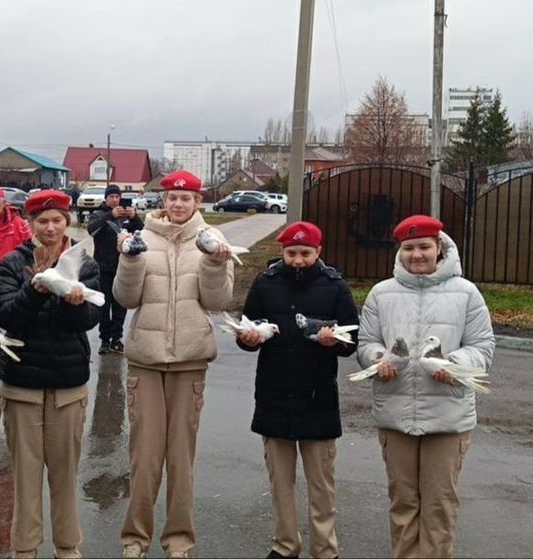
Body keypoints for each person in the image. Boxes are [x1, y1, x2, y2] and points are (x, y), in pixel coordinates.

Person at [357, 215, 495, 559]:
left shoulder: (466, 293)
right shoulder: (381, 293)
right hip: (395, 412)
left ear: (440, 248)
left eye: (424, 247)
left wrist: (455, 364)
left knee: (439, 505)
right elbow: (367, 343)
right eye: (408, 248)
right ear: (399, 252)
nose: (416, 255)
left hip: (447, 416)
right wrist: (379, 360)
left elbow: (482, 346)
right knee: (403, 502)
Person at [113, 169, 234, 559]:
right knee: (144, 458)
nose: (178, 204)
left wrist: (215, 264)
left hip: (189, 362)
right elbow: (125, 299)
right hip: (146, 362)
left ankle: (179, 539)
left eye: (186, 198)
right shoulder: (141, 239)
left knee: (181, 459)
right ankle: (135, 538)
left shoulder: (213, 242)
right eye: (172, 198)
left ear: (198, 202)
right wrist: (129, 262)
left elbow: (217, 302)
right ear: (163, 201)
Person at [236, 221, 359, 559]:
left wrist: (333, 341)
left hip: (317, 396)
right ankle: (285, 545)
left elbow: (352, 343)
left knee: (321, 483)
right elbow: (247, 328)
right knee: (280, 482)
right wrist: (247, 338)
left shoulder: (335, 287)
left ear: (318, 252)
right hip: (274, 393)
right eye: (291, 253)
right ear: (283, 252)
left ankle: (325, 548)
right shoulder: (265, 282)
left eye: (305, 253)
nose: (298, 260)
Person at [0, 189, 101, 559]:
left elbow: (89, 320)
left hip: (68, 384)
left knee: (64, 475)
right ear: (30, 223)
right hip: (22, 384)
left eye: (57, 220)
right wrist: (35, 289)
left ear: (67, 222)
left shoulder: (83, 263)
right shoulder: (12, 262)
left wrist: (72, 304)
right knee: (25, 475)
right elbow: (6, 317)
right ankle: (25, 548)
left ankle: (68, 547)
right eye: (43, 221)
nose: (51, 228)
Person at [87, 184, 144, 354]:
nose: (115, 200)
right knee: (104, 307)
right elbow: (92, 230)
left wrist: (135, 218)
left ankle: (116, 339)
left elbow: (143, 233)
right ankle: (105, 339)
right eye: (111, 196)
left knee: (120, 305)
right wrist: (109, 216)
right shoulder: (98, 214)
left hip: (123, 268)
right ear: (106, 198)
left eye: (117, 197)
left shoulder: (126, 216)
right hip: (104, 268)